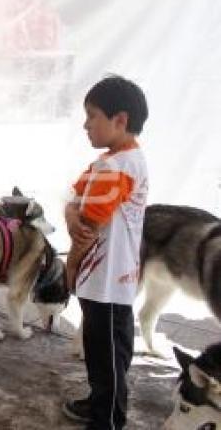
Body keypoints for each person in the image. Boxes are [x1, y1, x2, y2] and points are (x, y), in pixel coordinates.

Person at [62, 75, 149, 430]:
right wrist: (70, 213)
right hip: (114, 278)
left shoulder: (114, 168)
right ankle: (101, 402)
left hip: (105, 280)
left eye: (92, 115)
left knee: (107, 356)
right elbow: (73, 198)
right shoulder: (115, 161)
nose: (85, 124)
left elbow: (86, 228)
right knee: (108, 352)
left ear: (121, 120)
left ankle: (107, 419)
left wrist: (69, 270)